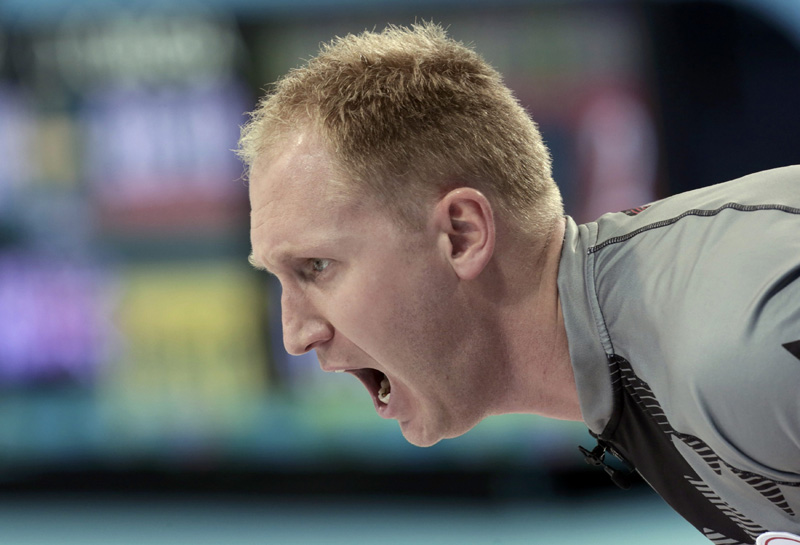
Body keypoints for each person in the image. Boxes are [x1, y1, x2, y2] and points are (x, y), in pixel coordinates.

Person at [238, 22, 800, 545]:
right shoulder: (654, 371)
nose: (296, 334)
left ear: (462, 235)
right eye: (280, 278)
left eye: (316, 266)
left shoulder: (742, 348)